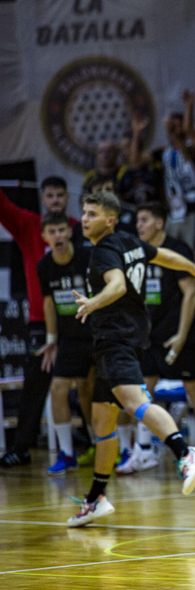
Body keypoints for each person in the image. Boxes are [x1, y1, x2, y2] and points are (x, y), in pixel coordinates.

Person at [68, 191, 195, 527]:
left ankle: (184, 452)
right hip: (122, 338)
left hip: (116, 338)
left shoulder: (103, 252)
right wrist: (190, 265)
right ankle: (96, 498)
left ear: (110, 219)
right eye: (84, 213)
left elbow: (115, 286)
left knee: (135, 403)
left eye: (92, 213)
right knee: (103, 423)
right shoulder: (129, 241)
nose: (85, 219)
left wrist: (92, 303)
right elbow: (162, 256)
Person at [0, 177, 76, 469]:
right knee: (35, 383)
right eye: (50, 196)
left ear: (67, 197)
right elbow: (3, 207)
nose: (55, 200)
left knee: (84, 380)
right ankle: (22, 447)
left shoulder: (76, 228)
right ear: (43, 199)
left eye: (59, 195)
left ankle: (87, 440)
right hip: (40, 322)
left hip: (74, 320)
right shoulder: (30, 226)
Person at [132, 203, 195, 469]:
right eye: (137, 221)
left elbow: (190, 293)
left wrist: (181, 334)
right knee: (143, 390)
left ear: (159, 223)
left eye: (144, 219)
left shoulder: (178, 250)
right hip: (149, 335)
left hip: (179, 334)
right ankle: (144, 450)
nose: (138, 225)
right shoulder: (138, 253)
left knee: (193, 387)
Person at [36, 212, 94, 475]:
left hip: (94, 333)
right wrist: (51, 339)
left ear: (70, 232)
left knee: (89, 389)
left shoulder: (87, 257)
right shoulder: (44, 266)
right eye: (52, 231)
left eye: (61, 230)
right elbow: (49, 303)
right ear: (44, 236)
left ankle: (98, 443)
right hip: (69, 337)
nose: (57, 236)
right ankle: (67, 452)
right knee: (58, 388)